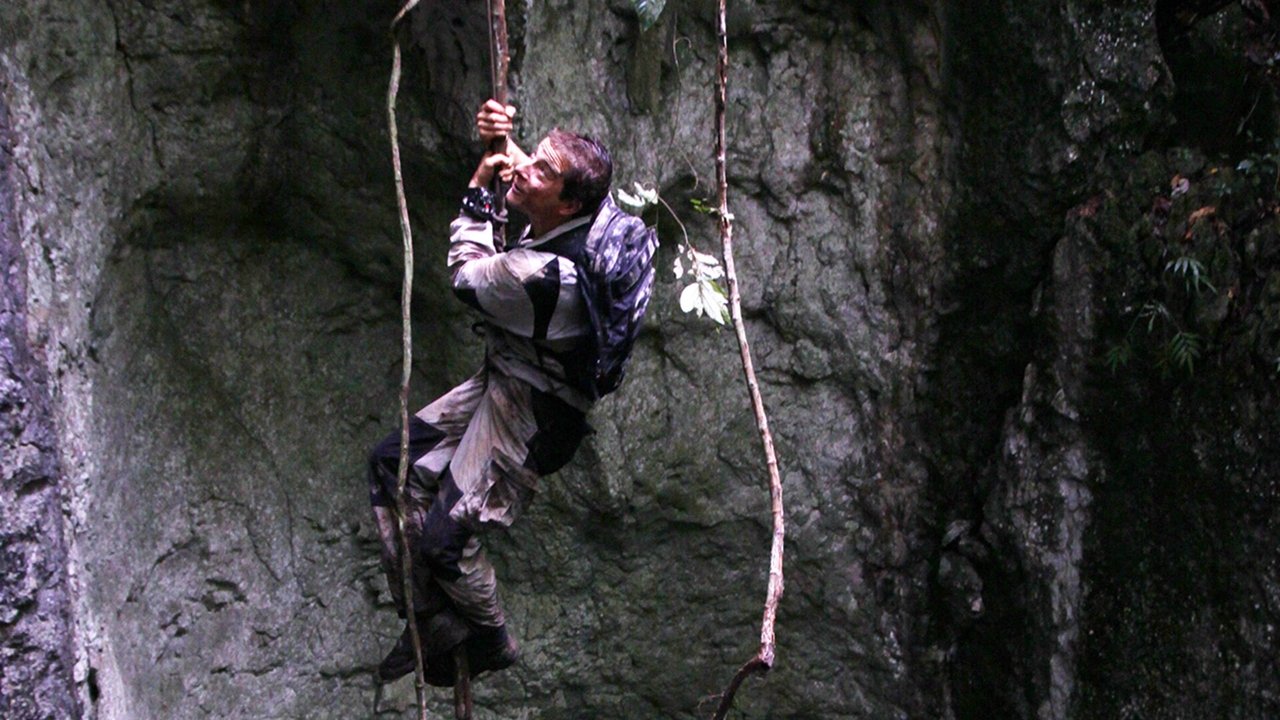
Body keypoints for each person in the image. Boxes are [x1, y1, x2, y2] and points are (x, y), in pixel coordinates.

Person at [367, 100, 613, 683]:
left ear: (567, 204)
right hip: (507, 375)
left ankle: (491, 636)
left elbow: (466, 276)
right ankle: (428, 617)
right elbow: (537, 178)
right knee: (391, 466)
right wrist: (501, 139)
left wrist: (481, 188)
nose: (525, 168)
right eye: (534, 156)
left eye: (541, 170)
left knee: (444, 539)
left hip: (535, 412)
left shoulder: (541, 279)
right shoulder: (585, 216)